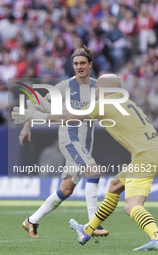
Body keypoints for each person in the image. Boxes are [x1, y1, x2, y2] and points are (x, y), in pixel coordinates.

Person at [16, 46, 108, 237]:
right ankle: (93, 225)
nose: (79, 66)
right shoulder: (64, 86)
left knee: (66, 189)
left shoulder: (97, 87)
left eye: (83, 63)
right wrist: (27, 125)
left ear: (90, 64)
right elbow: (36, 100)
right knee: (94, 172)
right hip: (70, 140)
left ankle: (31, 221)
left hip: (85, 142)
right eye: (76, 63)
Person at [63, 74, 158, 251]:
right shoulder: (127, 102)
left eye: (97, 86)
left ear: (107, 87)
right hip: (152, 151)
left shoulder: (104, 104)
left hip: (145, 156)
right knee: (115, 185)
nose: (95, 90)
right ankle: (88, 230)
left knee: (132, 206)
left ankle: (156, 235)